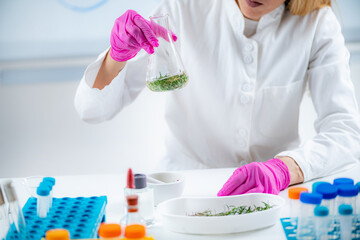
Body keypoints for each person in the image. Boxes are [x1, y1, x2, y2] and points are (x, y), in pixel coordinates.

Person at [75, 0, 360, 196]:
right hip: (184, 189)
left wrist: (284, 169)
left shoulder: (318, 23)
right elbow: (91, 110)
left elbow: (345, 132)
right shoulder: (183, 7)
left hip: (273, 193)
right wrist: (116, 57)